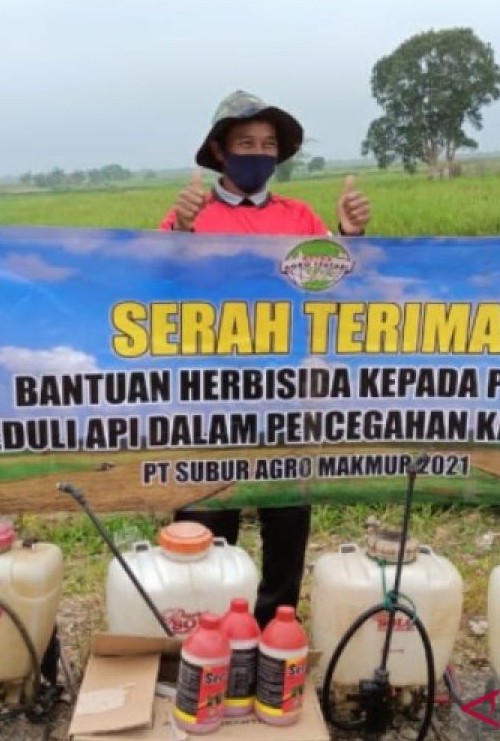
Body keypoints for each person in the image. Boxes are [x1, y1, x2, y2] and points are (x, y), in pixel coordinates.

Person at [160, 90, 371, 626]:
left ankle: (274, 622)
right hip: (208, 395)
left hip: (287, 388)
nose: (258, 153)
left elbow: (335, 279)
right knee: (207, 514)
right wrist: (179, 234)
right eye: (245, 143)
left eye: (268, 144)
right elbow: (154, 286)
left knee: (287, 513)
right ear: (219, 151)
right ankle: (205, 623)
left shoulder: (299, 216)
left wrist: (350, 235)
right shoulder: (190, 216)